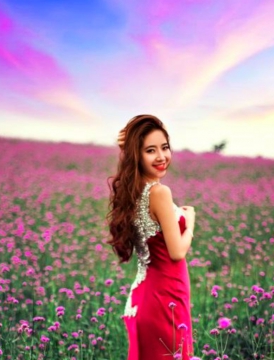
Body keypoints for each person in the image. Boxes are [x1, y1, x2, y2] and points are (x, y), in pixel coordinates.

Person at [107, 115, 196, 359]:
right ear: (136, 155)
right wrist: (190, 224)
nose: (161, 156)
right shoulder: (159, 192)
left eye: (165, 147)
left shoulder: (133, 192)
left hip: (146, 297)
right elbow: (177, 252)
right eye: (150, 150)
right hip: (164, 298)